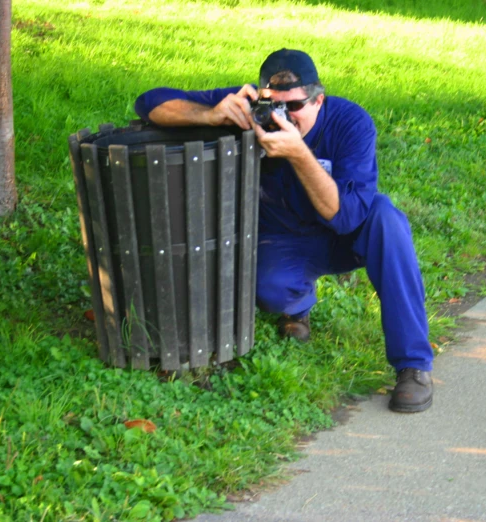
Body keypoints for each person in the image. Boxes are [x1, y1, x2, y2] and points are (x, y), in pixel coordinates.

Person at [134, 49, 434, 413]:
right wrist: (210, 114)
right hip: (283, 238)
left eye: (293, 106)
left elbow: (347, 217)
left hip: (346, 232)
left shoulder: (350, 122)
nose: (281, 116)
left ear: (318, 99)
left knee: (387, 221)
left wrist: (298, 153)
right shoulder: (249, 107)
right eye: (272, 105)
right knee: (271, 291)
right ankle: (297, 306)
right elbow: (150, 102)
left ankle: (413, 366)